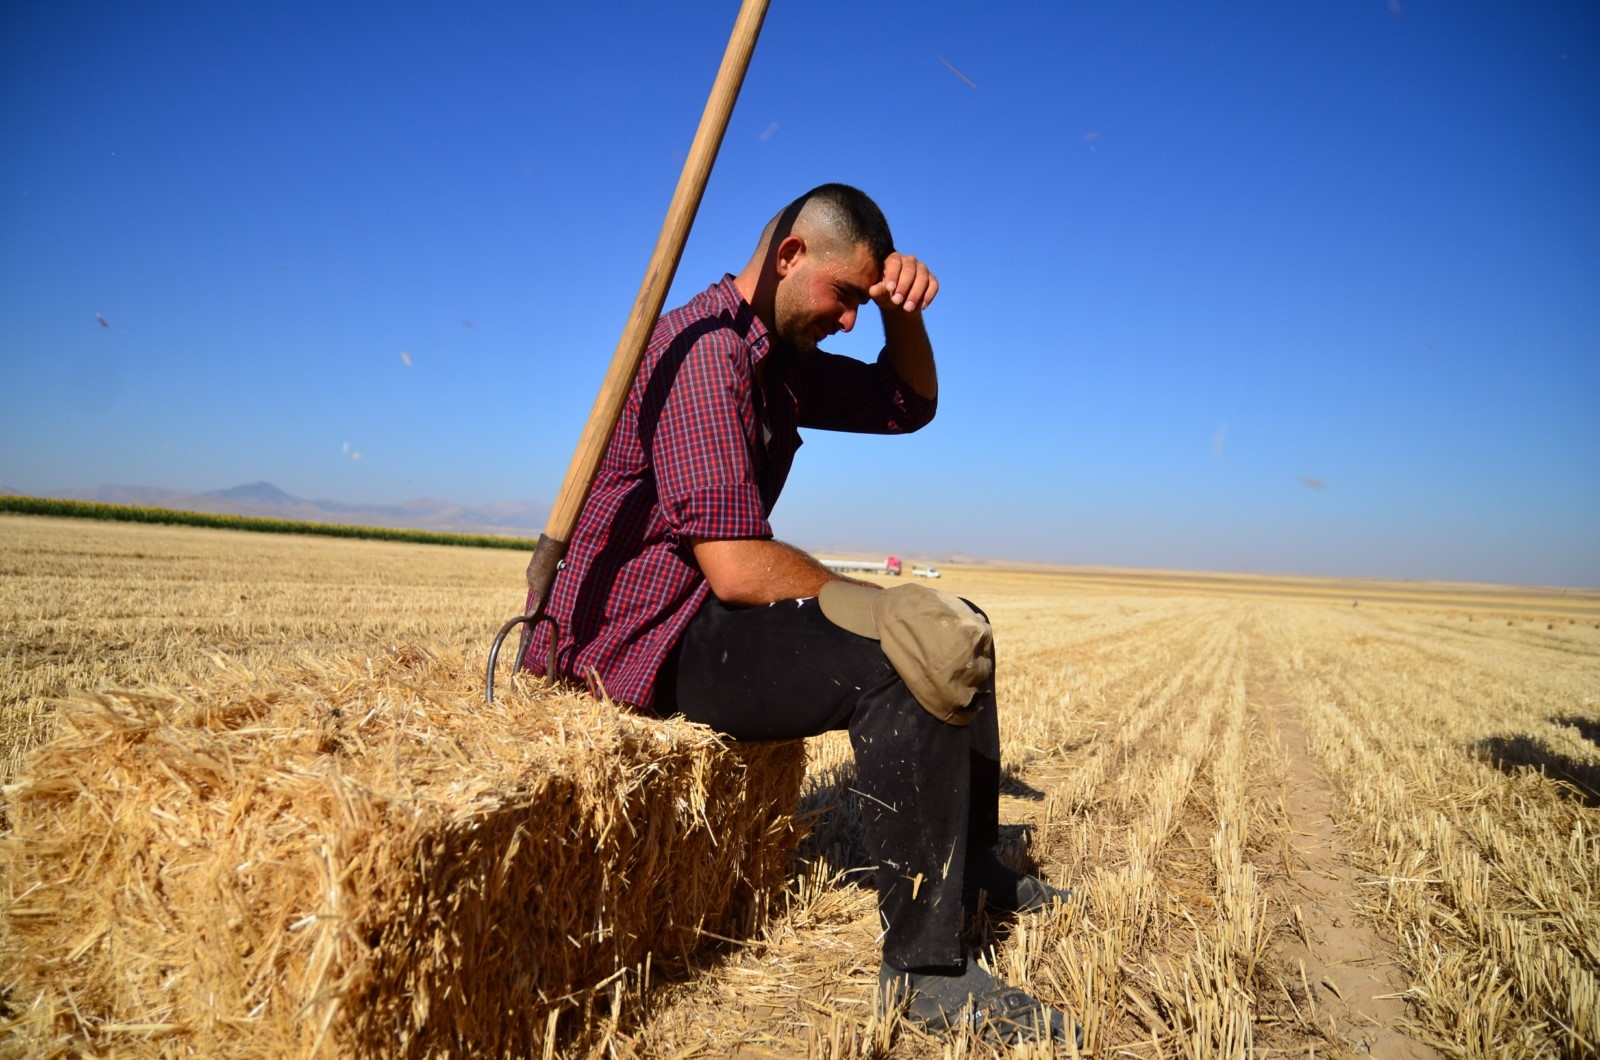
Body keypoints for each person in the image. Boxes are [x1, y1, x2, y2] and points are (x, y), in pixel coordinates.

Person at [522, 183, 1075, 1045]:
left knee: (951, 621)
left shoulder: (772, 356)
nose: (852, 319)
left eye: (864, 301)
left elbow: (909, 407)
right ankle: (926, 971)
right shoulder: (705, 355)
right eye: (847, 296)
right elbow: (741, 570)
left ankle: (975, 875)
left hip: (699, 611)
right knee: (906, 647)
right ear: (789, 256)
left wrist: (903, 314)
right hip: (641, 643)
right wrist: (879, 604)